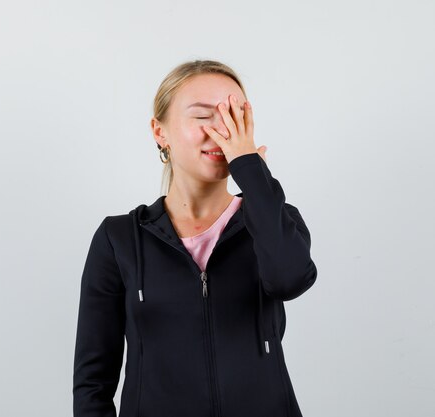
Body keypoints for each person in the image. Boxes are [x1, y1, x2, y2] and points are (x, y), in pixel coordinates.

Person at [72, 59, 318, 417]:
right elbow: (93, 381)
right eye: (203, 116)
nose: (220, 130)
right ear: (160, 132)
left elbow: (289, 280)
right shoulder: (120, 238)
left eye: (234, 116)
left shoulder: (274, 222)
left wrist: (252, 173)